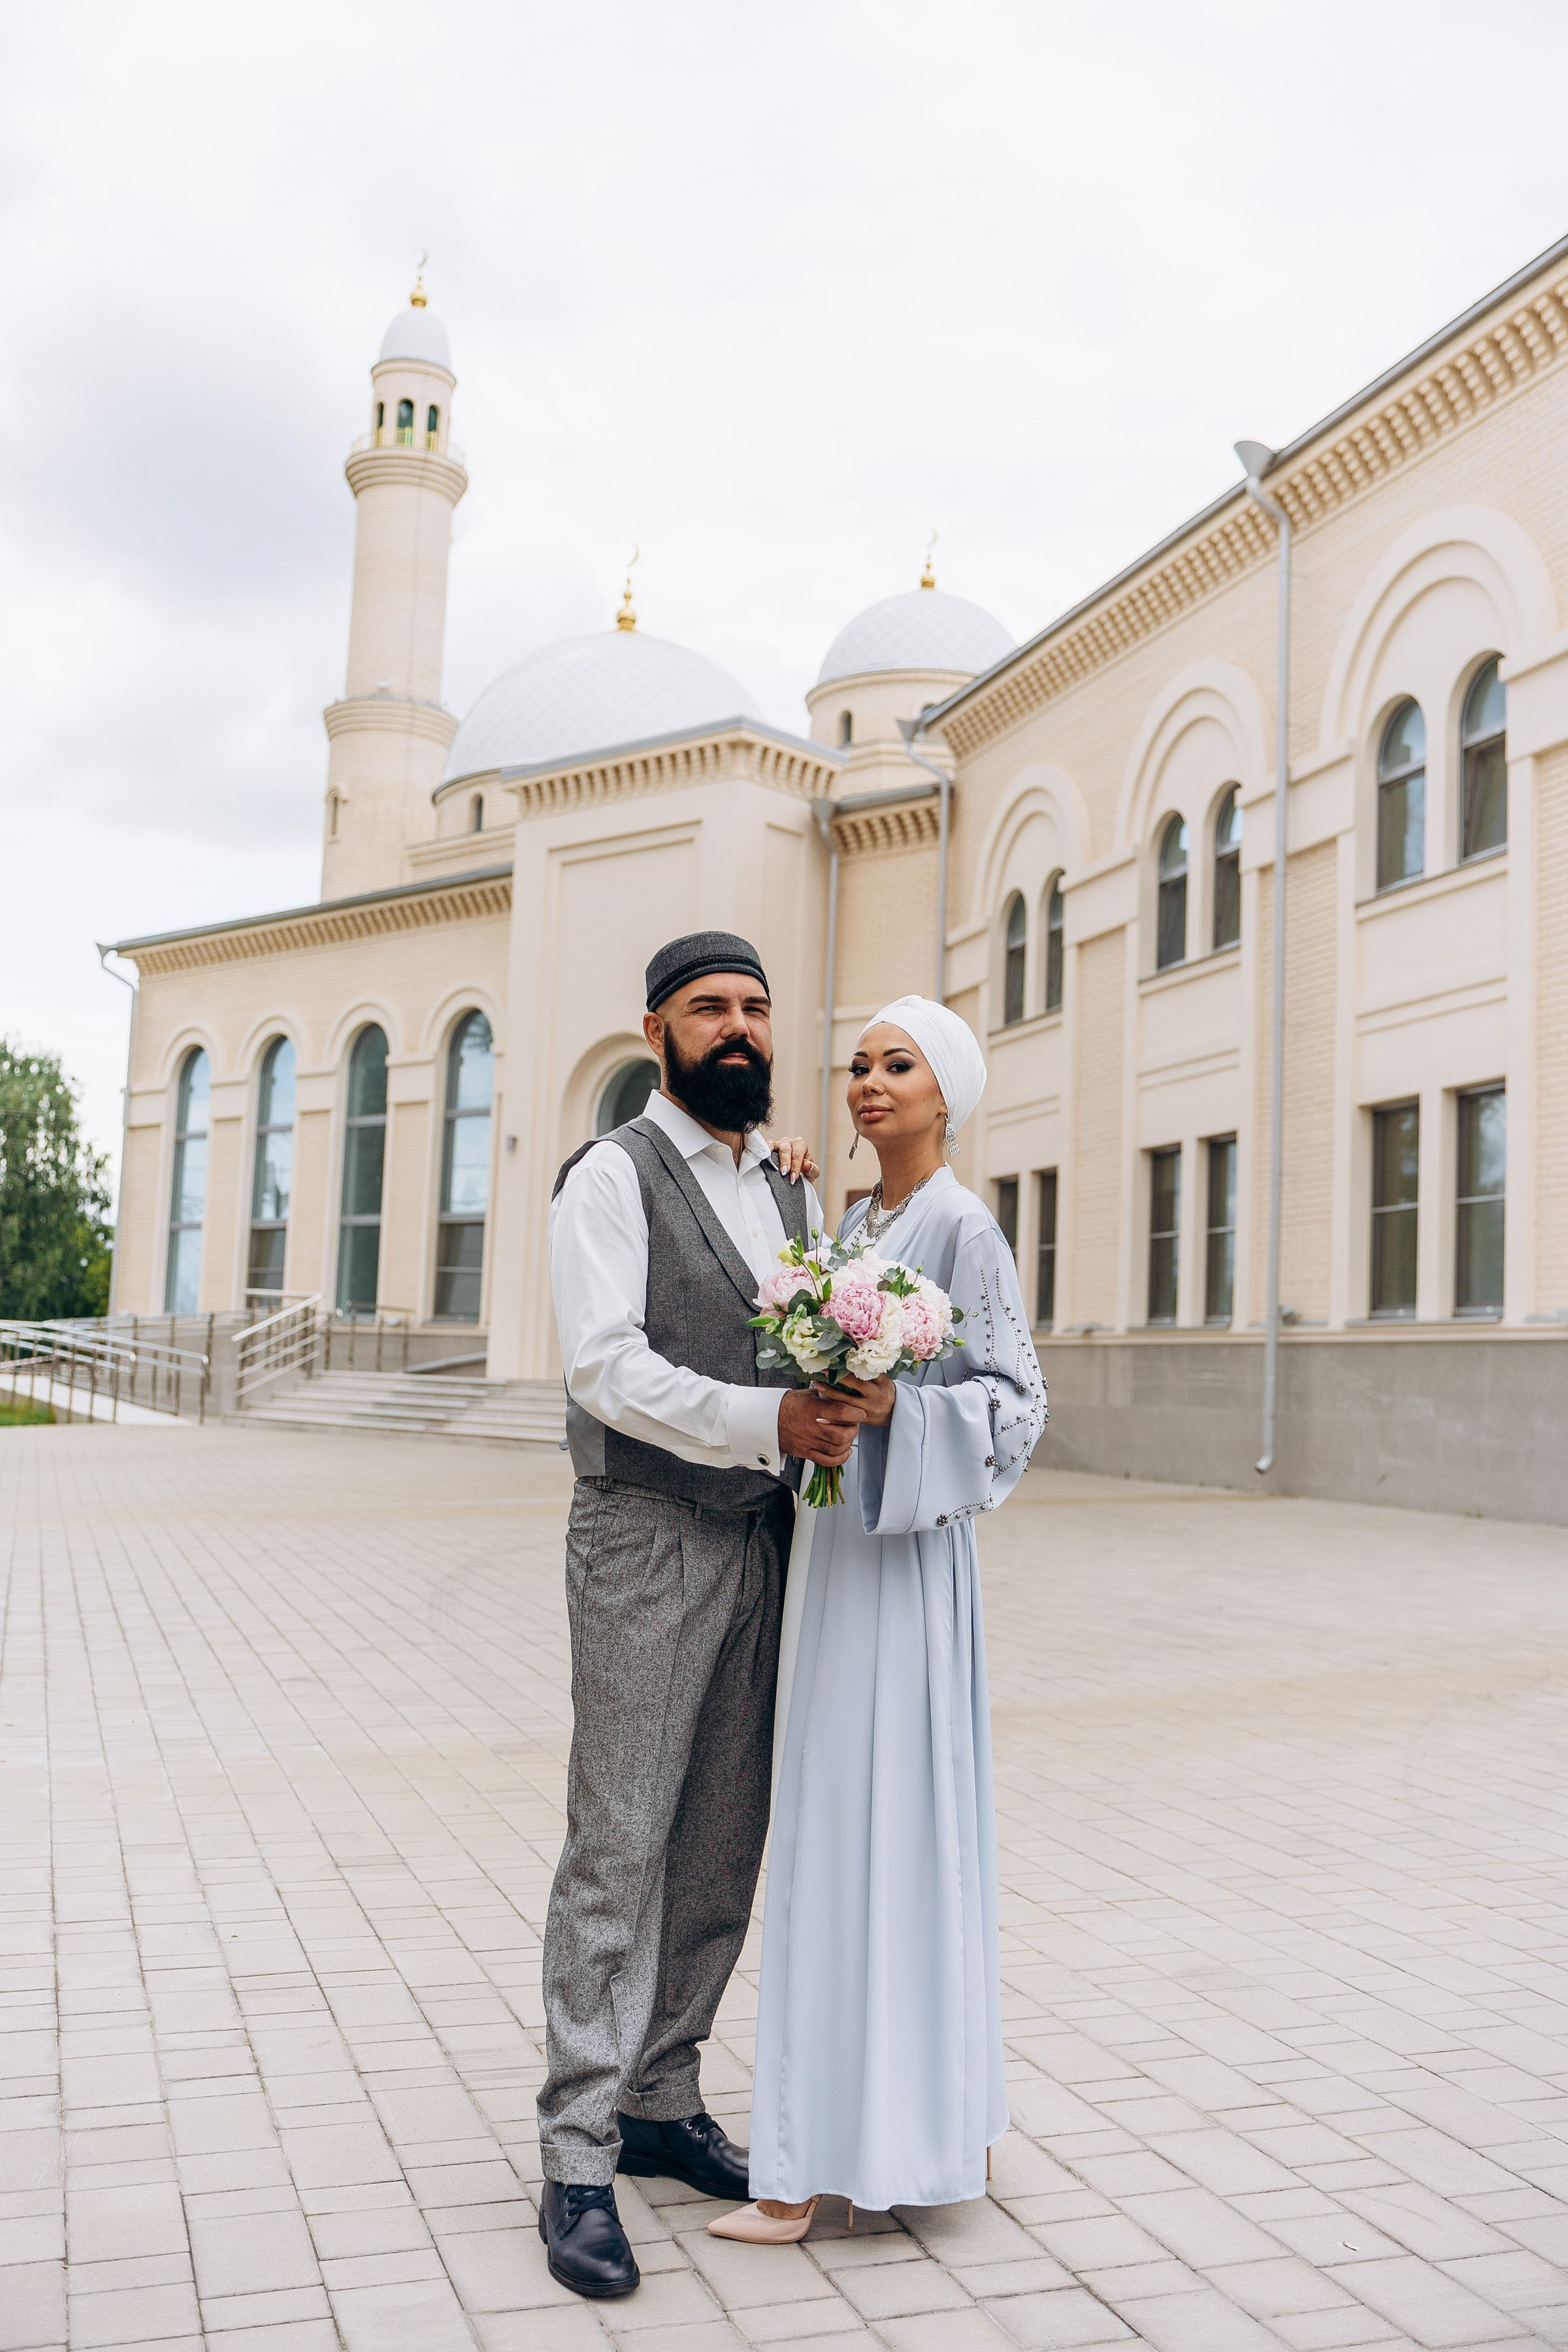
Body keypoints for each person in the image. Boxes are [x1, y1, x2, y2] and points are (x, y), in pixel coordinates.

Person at [536, 930, 867, 2301]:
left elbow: (805, 1330)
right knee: (621, 1842)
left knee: (728, 1834)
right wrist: (764, 1419)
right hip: (646, 1536)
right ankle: (574, 2153)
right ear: (657, 1030)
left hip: (763, 1539)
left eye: (754, 1010)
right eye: (707, 1010)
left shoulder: (785, 1189)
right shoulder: (609, 1174)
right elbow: (606, 1365)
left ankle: (665, 2099)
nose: (736, 1030)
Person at [710, 994, 1047, 2244]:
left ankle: (821, 2165)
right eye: (856, 1065)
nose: (868, 1084)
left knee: (888, 1829)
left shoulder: (964, 1228)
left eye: (897, 1065)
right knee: (836, 1824)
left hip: (905, 1574)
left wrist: (902, 1410)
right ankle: (909, 2124)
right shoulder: (857, 1220)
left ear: (946, 1090)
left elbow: (1017, 1407)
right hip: (833, 1548)